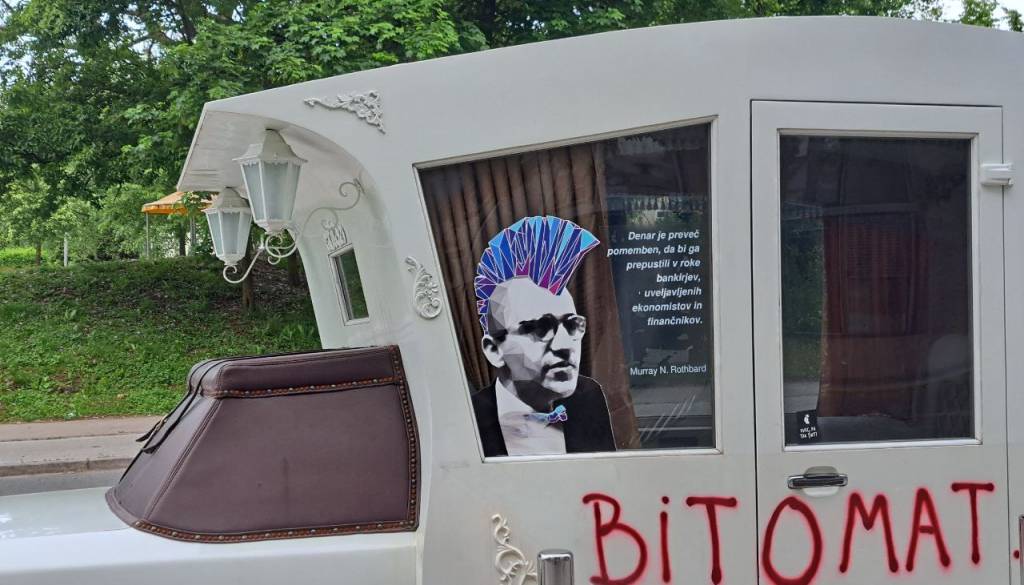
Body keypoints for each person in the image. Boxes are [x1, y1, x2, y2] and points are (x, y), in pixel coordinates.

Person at [471, 215, 616, 456]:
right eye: (539, 328)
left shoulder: (588, 397)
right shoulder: (467, 420)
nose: (564, 345)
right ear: (495, 350)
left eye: (572, 325)